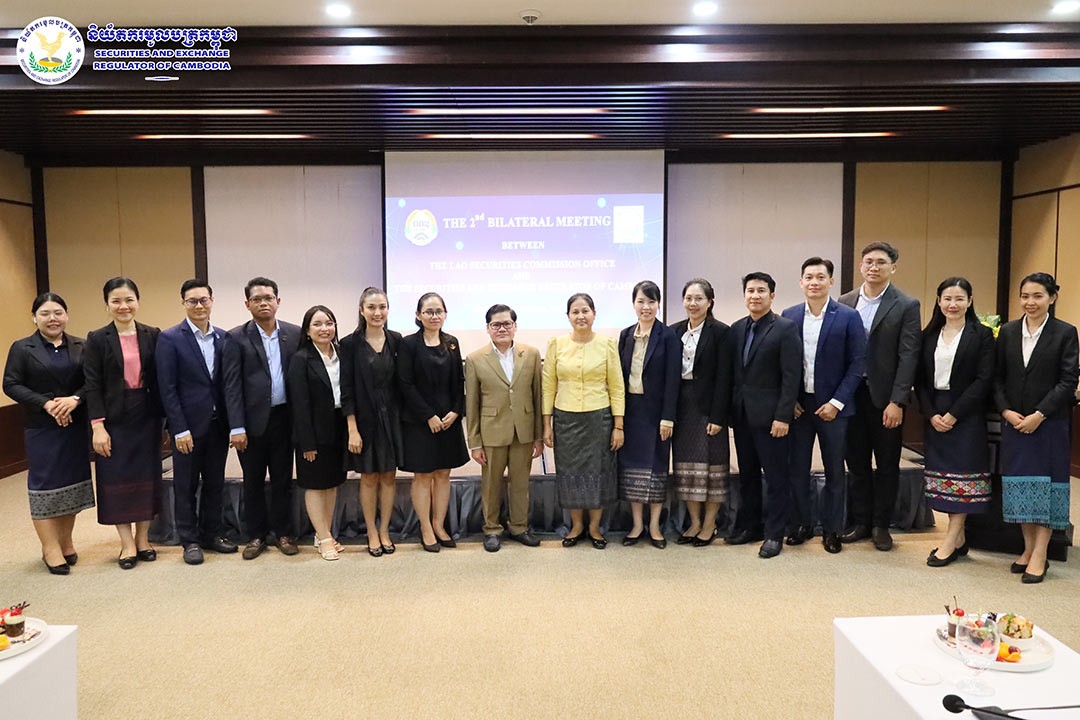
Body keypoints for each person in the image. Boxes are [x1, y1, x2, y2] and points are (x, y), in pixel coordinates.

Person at [993, 272, 1078, 584]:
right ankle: (1028, 549)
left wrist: (1039, 414)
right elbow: (997, 377)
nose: (1030, 302)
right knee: (1022, 489)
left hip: (1049, 425)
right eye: (1025, 296)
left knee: (1046, 490)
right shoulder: (1008, 331)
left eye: (1038, 296)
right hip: (1014, 422)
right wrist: (1006, 410)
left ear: (1052, 298)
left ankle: (1040, 553)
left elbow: (1068, 381)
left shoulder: (1065, 333)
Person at [156, 279, 245, 565]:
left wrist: (234, 424)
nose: (198, 306)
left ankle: (211, 534)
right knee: (185, 485)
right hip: (188, 429)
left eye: (203, 300)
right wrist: (178, 428)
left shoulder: (223, 337)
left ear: (212, 301)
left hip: (218, 426)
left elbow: (228, 385)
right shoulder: (170, 338)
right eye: (192, 301)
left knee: (215, 483)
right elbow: (167, 389)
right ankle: (190, 541)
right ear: (183, 303)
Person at [838, 242, 921, 551]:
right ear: (861, 266)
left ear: (893, 267)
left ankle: (881, 525)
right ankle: (860, 522)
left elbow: (909, 355)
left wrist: (898, 401)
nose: (874, 267)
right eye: (869, 262)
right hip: (851, 395)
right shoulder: (845, 301)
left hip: (886, 398)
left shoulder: (906, 304)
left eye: (881, 262)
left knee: (887, 464)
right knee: (856, 462)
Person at [3, 292, 93, 575]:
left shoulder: (82, 345)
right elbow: (11, 384)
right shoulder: (22, 348)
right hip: (42, 427)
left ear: (66, 315)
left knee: (72, 484)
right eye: (45, 313)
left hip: (74, 425)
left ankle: (66, 542)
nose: (52, 318)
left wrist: (75, 400)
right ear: (35, 317)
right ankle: (49, 548)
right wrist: (46, 403)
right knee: (44, 486)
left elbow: (93, 381)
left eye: (58, 312)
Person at [781, 258, 866, 555]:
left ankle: (832, 530)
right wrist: (789, 400)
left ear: (831, 281)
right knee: (797, 469)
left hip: (834, 408)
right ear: (801, 282)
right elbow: (784, 364)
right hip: (799, 407)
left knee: (834, 472)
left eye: (820, 277)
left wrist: (836, 402)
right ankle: (801, 524)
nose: (814, 282)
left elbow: (858, 364)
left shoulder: (848, 316)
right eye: (808, 277)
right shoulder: (789, 316)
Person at [82, 277, 164, 570]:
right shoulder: (96, 338)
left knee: (147, 477)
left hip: (147, 415)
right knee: (116, 478)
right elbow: (92, 384)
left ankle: (143, 539)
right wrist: (98, 426)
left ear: (137, 302)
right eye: (116, 300)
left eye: (129, 299)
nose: (123, 306)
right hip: (114, 418)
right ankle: (126, 544)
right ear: (107, 305)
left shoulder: (152, 334)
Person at [915, 277, 995, 568]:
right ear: (938, 301)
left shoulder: (982, 334)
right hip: (935, 411)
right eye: (947, 298)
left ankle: (950, 541)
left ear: (970, 301)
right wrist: (931, 412)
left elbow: (984, 379)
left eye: (959, 298)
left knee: (963, 477)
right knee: (943, 479)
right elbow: (920, 380)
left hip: (966, 414)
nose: (953, 304)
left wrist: (954, 414)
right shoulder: (928, 335)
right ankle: (959, 538)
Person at [727, 272, 801, 559]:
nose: (755, 296)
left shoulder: (785, 328)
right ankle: (751, 526)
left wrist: (783, 416)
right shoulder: (736, 328)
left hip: (773, 419)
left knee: (776, 477)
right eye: (750, 291)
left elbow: (791, 376)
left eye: (761, 291)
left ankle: (774, 534)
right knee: (747, 476)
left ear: (772, 295)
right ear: (744, 295)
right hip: (743, 416)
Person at [542, 293, 625, 550]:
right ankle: (576, 526)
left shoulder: (607, 344)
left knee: (599, 473)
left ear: (594, 313)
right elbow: (548, 386)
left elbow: (617, 386)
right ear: (568, 316)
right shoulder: (556, 343)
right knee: (570, 474)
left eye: (585, 310)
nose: (581, 316)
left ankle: (594, 528)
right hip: (566, 418)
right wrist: (547, 424)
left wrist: (618, 426)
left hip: (599, 417)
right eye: (575, 311)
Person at [228, 277, 301, 560]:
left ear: (278, 302)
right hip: (251, 423)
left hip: (285, 418)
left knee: (283, 479)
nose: (264, 303)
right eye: (257, 299)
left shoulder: (294, 334)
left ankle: (284, 533)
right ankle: (256, 536)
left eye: (269, 298)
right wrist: (236, 426)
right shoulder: (235, 338)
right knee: (253, 480)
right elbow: (231, 385)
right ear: (248, 304)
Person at [464, 304, 544, 553]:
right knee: (491, 485)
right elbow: (472, 403)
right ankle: (491, 529)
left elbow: (537, 395)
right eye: (496, 325)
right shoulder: (475, 359)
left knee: (521, 483)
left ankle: (519, 527)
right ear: (488, 329)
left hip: (524, 431)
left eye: (507, 324)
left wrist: (538, 436)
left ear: (515, 326)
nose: (502, 328)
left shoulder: (531, 354)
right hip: (491, 432)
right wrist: (474, 442)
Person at [398, 292, 469, 552]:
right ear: (418, 315)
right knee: (423, 475)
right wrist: (428, 415)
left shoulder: (451, 342)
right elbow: (404, 384)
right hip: (420, 421)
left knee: (443, 474)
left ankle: (439, 525)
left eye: (439, 311)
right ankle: (425, 528)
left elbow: (458, 382)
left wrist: (456, 411)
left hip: (448, 420)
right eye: (428, 311)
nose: (434, 315)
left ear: (445, 314)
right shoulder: (408, 344)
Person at [341, 287, 404, 557]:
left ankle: (385, 529)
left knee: (389, 476)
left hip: (392, 418)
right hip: (364, 420)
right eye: (372, 307)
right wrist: (352, 429)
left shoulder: (397, 340)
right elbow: (346, 389)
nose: (377, 313)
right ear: (361, 310)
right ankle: (370, 530)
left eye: (382, 307)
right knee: (368, 477)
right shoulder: (349, 344)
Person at [617, 281, 680, 549]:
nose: (646, 307)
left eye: (651, 302)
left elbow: (672, 381)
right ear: (634, 304)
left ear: (658, 304)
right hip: (631, 412)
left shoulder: (667, 336)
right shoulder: (625, 334)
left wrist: (668, 417)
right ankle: (636, 525)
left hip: (657, 415)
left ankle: (655, 526)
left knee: (656, 469)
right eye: (641, 301)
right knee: (632, 469)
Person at [669, 278, 732, 546]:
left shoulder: (721, 332)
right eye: (688, 298)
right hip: (682, 407)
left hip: (709, 408)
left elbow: (725, 378)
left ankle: (710, 524)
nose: (693, 303)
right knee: (686, 468)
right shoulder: (673, 332)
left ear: (710, 302)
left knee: (712, 468)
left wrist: (718, 417)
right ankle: (694, 523)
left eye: (699, 299)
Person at [287, 305, 348, 561]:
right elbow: (298, 404)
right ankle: (323, 538)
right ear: (308, 330)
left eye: (329, 323)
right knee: (314, 484)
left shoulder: (342, 354)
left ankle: (325, 532)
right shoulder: (301, 358)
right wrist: (306, 442)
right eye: (318, 324)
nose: (325, 329)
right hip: (312, 429)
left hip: (339, 426)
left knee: (332, 482)